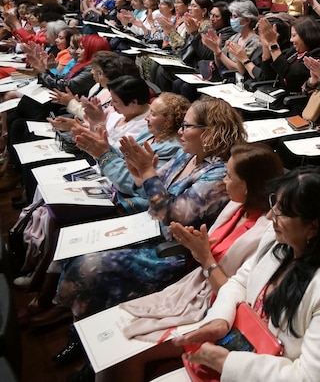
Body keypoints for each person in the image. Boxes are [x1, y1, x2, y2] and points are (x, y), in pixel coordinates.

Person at [93, 144, 284, 382]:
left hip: (215, 308)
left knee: (122, 355)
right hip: (192, 286)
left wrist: (204, 256)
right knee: (108, 346)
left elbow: (236, 294)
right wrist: (198, 248)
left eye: (229, 176)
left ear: (246, 186)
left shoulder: (267, 233)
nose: (224, 181)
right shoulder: (237, 206)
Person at [175, 166, 320, 381]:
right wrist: (221, 320)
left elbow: (309, 378)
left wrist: (226, 363)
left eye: (282, 211)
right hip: (247, 357)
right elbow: (240, 283)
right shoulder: (280, 242)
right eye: (274, 204)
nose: (271, 215)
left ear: (313, 227)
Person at [52, 97, 246, 320]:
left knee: (89, 263)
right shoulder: (188, 154)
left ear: (209, 132)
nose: (180, 131)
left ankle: (79, 324)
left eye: (186, 126)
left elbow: (173, 216)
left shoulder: (219, 173)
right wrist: (139, 177)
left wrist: (146, 172)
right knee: (76, 243)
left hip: (172, 249)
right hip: (148, 228)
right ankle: (63, 308)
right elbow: (154, 192)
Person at [257, 16, 320, 93]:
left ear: (306, 35)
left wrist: (273, 44)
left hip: (297, 101)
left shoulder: (317, 54)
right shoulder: (293, 51)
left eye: (294, 35)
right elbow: (270, 75)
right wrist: (266, 47)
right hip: (280, 94)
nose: (291, 40)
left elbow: (290, 76)